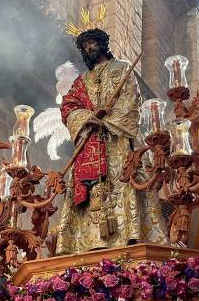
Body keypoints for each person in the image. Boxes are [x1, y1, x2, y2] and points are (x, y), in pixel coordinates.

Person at [55, 27, 168, 254]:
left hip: (115, 142)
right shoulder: (81, 81)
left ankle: (128, 236)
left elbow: (130, 100)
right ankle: (85, 242)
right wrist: (88, 118)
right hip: (90, 144)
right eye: (85, 46)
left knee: (122, 183)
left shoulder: (122, 69)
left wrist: (106, 122)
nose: (89, 48)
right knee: (91, 192)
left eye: (92, 43)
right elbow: (68, 106)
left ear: (102, 44)